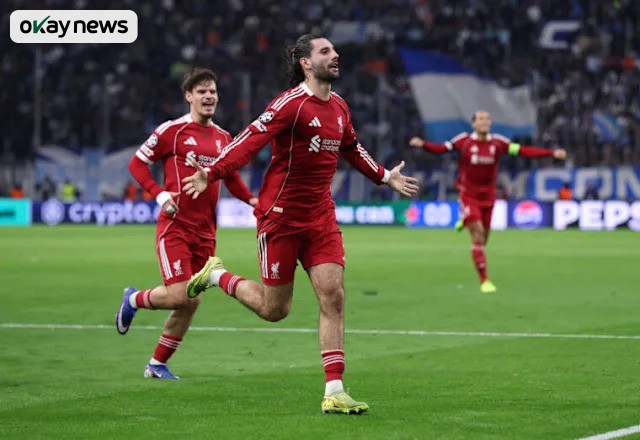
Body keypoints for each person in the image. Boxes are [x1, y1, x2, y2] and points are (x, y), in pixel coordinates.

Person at [181, 35, 419, 414]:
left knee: (333, 295)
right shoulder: (290, 105)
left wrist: (384, 175)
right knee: (275, 309)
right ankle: (217, 276)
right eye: (325, 51)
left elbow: (352, 147)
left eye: (334, 50)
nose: (335, 55)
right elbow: (249, 139)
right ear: (306, 63)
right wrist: (212, 172)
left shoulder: (339, 107)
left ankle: (334, 390)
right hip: (280, 218)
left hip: (320, 217)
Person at [115, 67, 257, 380]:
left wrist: (252, 201)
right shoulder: (172, 131)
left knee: (191, 302)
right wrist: (158, 193)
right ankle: (134, 299)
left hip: (206, 232)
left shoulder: (224, 138)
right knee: (181, 295)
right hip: (175, 226)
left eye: (213, 91)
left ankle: (156, 364)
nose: (209, 96)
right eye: (202, 91)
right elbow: (137, 163)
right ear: (189, 96)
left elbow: (231, 177)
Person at [409, 110, 566, 293]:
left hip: (489, 198)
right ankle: (485, 281)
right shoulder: (464, 141)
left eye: (487, 119)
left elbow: (524, 151)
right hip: (468, 195)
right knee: (477, 235)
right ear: (473, 123)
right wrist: (423, 144)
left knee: (483, 240)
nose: (485, 121)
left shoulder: (498, 143)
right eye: (481, 119)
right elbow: (442, 149)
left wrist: (551, 153)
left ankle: (465, 220)